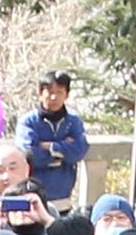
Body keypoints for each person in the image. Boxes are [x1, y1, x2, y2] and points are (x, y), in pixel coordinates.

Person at [21, 72, 90, 209]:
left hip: (63, 196)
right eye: (50, 92)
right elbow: (30, 154)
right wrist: (64, 152)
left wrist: (52, 147)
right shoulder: (28, 122)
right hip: (34, 196)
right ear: (40, 94)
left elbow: (80, 150)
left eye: (60, 92)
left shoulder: (73, 121)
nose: (54, 97)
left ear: (67, 95)